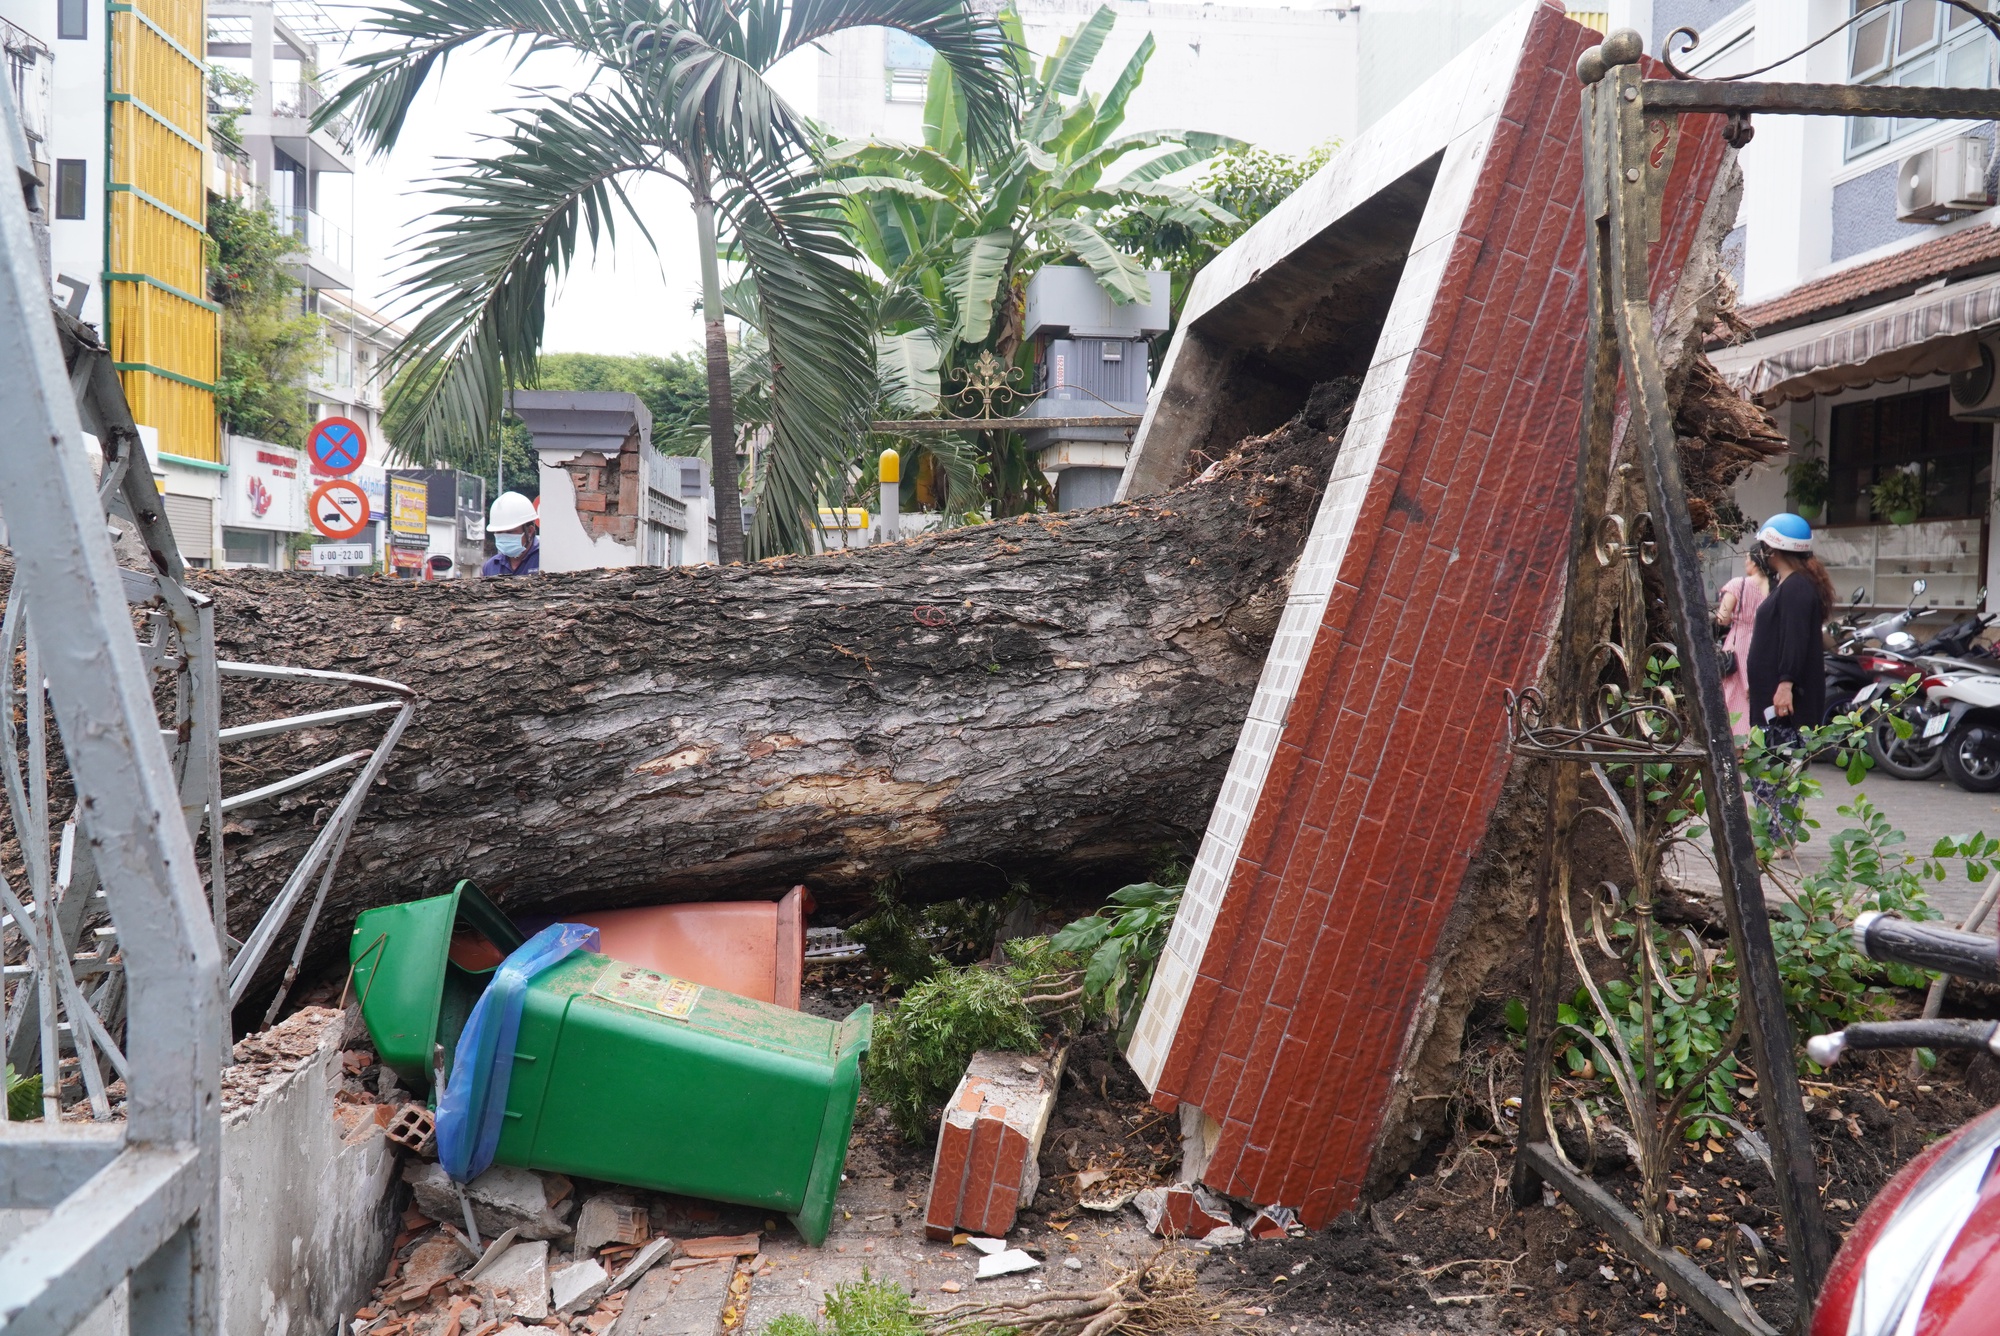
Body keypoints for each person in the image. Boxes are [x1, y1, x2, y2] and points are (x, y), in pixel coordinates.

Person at [1715, 551, 1770, 747]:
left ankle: (1734, 743)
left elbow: (1722, 618)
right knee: (1753, 697)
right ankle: (1753, 741)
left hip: (1739, 643)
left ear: (1754, 562)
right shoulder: (1774, 586)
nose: (1746, 562)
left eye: (1747, 558)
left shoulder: (1739, 584)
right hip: (1764, 643)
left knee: (1732, 695)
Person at [483, 491, 540, 576]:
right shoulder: (491, 567)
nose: (504, 537)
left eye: (510, 532)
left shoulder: (544, 559)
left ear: (530, 531)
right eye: (499, 532)